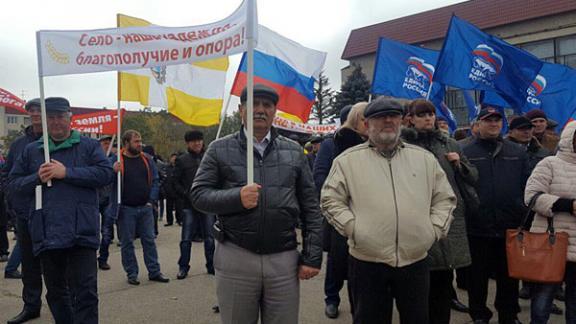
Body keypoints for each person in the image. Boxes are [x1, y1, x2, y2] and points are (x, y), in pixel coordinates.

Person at [190, 84, 323, 324]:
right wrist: (236, 197)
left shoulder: (293, 152)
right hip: (236, 255)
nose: (260, 110)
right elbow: (198, 195)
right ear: (241, 110)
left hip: (283, 258)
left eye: (267, 105)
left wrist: (312, 256)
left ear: (275, 111)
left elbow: (311, 207)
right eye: (254, 104)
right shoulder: (219, 149)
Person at [321, 97, 456, 324]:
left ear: (401, 121)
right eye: (379, 117)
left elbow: (444, 198)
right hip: (367, 261)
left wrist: (433, 231)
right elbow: (330, 199)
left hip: (415, 260)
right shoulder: (347, 161)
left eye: (393, 116)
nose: (387, 121)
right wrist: (354, 229)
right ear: (367, 124)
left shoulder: (424, 159)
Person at [9, 97, 114, 324]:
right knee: (56, 293)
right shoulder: (31, 150)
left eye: (61, 117)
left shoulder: (88, 146)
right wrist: (36, 177)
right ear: (45, 121)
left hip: (81, 232)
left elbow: (105, 174)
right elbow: (13, 185)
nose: (56, 122)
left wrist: (67, 173)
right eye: (51, 117)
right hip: (47, 233)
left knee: (85, 292)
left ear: (70, 119)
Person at [402, 99, 476, 324]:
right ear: (410, 119)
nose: (428, 119)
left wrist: (458, 165)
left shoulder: (450, 143)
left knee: (444, 278)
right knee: (418, 282)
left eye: (431, 114)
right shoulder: (402, 144)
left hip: (447, 217)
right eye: (422, 115)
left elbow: (473, 176)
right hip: (414, 217)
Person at [462, 106, 531, 324]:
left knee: (509, 277)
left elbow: (526, 185)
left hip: (509, 226)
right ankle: (479, 315)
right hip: (477, 227)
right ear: (478, 123)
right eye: (488, 120)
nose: (493, 124)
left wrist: (520, 210)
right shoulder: (465, 150)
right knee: (477, 278)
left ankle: (508, 315)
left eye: (497, 120)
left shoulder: (517, 152)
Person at [524, 120, 576, 324]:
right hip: (551, 244)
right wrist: (567, 205)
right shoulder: (549, 164)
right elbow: (531, 197)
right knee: (542, 301)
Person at [320, 102, 367, 319]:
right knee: (336, 262)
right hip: (339, 215)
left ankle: (358, 304)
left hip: (366, 216)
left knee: (359, 265)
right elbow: (319, 177)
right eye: (364, 118)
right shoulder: (331, 144)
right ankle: (332, 298)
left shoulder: (373, 145)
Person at [2, 98, 44, 323]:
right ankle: (31, 305)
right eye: (32, 111)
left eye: (39, 110)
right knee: (29, 264)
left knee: (58, 263)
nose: (35, 114)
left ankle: (63, 305)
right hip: (26, 212)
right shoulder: (19, 144)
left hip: (53, 213)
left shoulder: (57, 139)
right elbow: (7, 176)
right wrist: (14, 200)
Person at [112, 130, 170, 285]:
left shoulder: (147, 159)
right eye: (136, 141)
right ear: (126, 143)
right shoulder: (117, 160)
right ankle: (132, 273)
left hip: (145, 208)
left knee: (149, 240)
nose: (140, 144)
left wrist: (151, 200)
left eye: (140, 141)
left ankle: (154, 271)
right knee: (127, 243)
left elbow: (156, 180)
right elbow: (105, 180)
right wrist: (112, 171)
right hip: (125, 209)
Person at [174, 130, 215, 279]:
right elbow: (175, 182)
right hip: (189, 205)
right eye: (193, 141)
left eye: (199, 140)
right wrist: (186, 193)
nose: (197, 143)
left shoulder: (209, 157)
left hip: (207, 204)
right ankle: (183, 267)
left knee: (210, 238)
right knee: (186, 239)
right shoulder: (182, 160)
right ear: (188, 143)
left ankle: (211, 265)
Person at [96, 135, 116, 271]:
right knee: (92, 231)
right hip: (94, 199)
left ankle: (103, 258)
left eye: (109, 143)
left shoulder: (115, 159)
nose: (107, 145)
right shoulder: (93, 159)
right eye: (104, 143)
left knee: (107, 232)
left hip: (109, 199)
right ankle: (90, 258)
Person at [163, 153, 179, 226]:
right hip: (168, 190)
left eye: (175, 158)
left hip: (177, 191)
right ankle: (169, 221)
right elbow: (164, 178)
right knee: (169, 207)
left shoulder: (179, 167)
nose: (174, 159)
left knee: (179, 207)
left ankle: (179, 219)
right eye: (172, 158)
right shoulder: (167, 168)